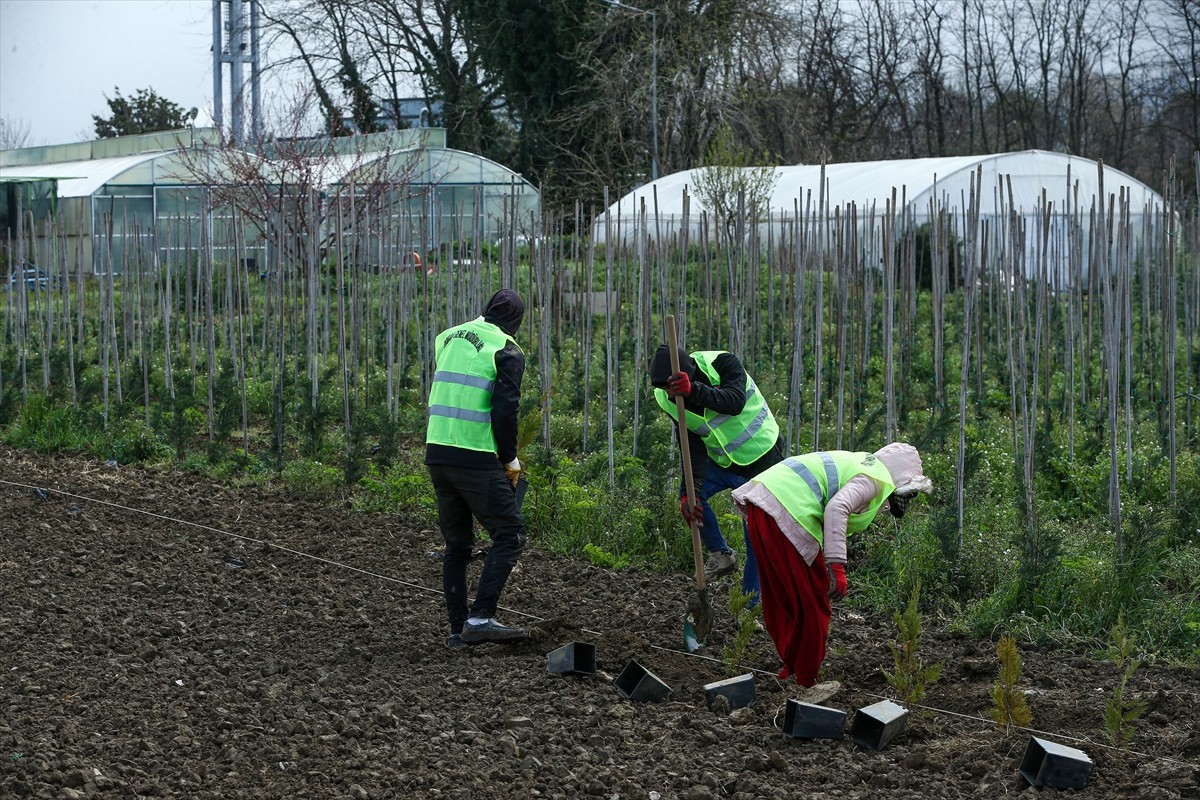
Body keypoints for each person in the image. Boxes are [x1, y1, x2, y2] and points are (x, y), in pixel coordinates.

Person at [730, 443, 933, 686]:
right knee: (814, 605)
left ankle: (793, 668)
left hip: (763, 503)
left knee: (784, 597)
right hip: (784, 510)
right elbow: (837, 507)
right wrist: (837, 567)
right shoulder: (874, 478)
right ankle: (806, 680)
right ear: (901, 478)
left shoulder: (859, 462)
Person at [425, 288, 529, 649]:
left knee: (458, 545)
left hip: (437, 452)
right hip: (474, 455)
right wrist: (509, 459)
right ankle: (481, 618)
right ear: (515, 322)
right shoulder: (507, 350)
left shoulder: (447, 337)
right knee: (510, 534)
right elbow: (505, 410)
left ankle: (457, 630)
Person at [649, 344, 784, 599]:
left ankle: (749, 606)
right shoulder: (666, 398)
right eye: (662, 389)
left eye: (669, 387)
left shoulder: (723, 363)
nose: (667, 394)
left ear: (687, 374)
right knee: (691, 500)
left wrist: (693, 391)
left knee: (756, 539)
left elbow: (734, 402)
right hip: (722, 461)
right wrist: (691, 491)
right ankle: (721, 555)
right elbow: (691, 440)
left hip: (763, 460)